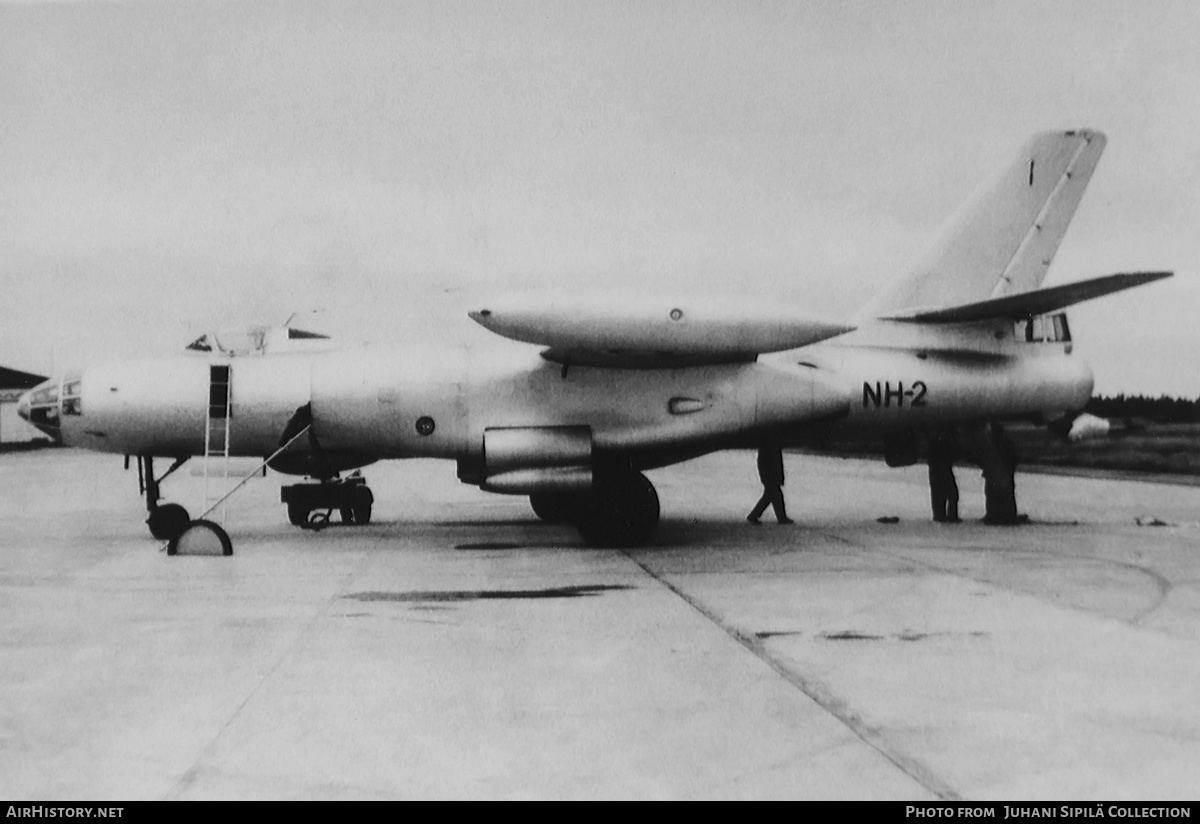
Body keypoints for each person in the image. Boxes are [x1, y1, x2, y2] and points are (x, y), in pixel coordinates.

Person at [748, 445, 793, 525]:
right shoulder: (770, 446)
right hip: (770, 475)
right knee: (773, 495)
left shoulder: (768, 445)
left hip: (769, 474)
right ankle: (754, 515)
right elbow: (775, 462)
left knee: (771, 495)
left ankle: (781, 517)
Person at [927, 429, 960, 523]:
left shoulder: (935, 438)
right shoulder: (943, 438)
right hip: (942, 465)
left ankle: (940, 516)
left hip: (936, 466)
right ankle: (949, 516)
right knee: (951, 494)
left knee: (938, 493)